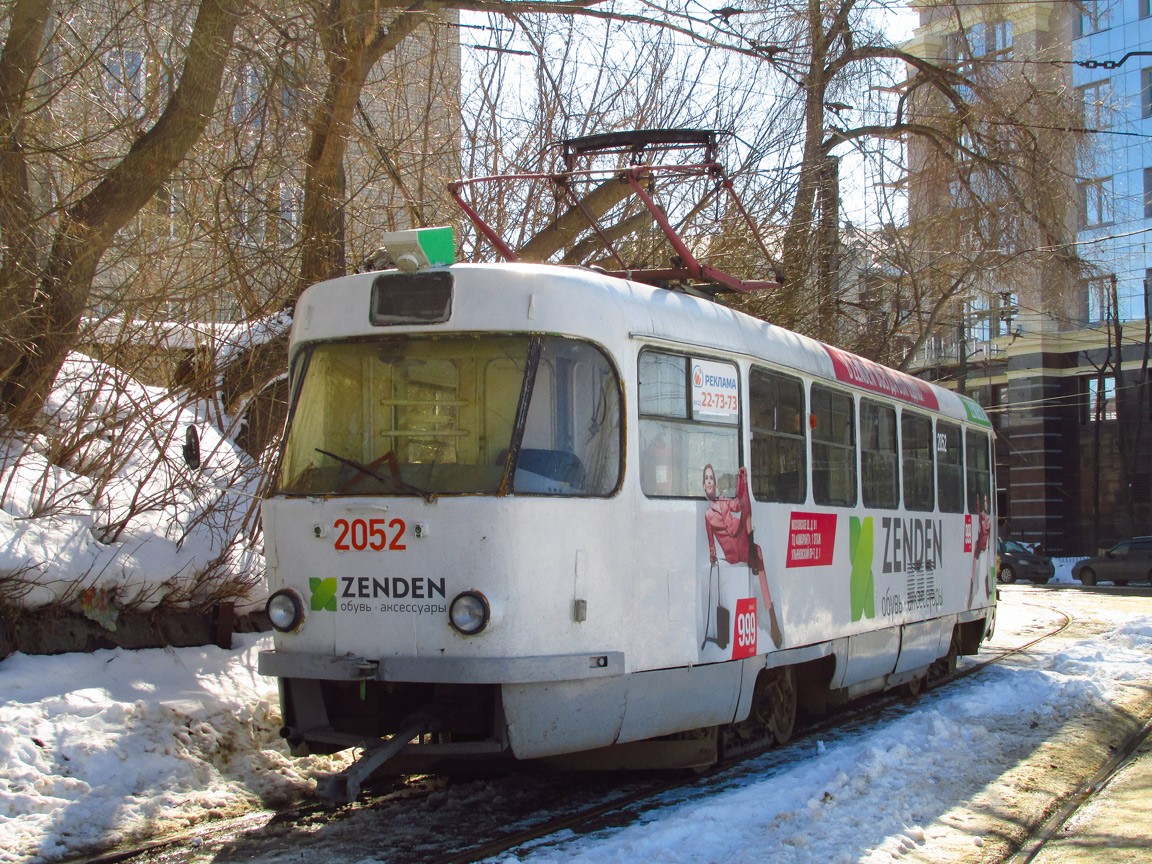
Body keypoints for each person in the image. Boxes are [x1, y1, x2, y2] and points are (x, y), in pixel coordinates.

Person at [703, 464, 783, 648]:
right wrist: (713, 556)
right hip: (732, 553)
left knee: (757, 548)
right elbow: (711, 543)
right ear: (703, 485)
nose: (709, 481)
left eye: (711, 478)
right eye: (706, 478)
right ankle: (752, 552)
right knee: (756, 551)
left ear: (714, 483)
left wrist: (742, 483)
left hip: (740, 537)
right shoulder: (708, 516)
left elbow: (739, 505)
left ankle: (772, 616)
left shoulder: (724, 501)